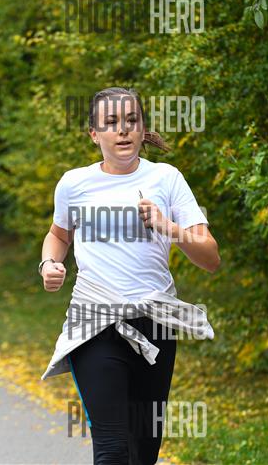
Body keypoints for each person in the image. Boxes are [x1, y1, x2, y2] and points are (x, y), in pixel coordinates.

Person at [39, 87, 220, 464]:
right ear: (94, 134)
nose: (122, 130)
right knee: (113, 450)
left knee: (143, 451)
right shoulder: (74, 183)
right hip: (94, 319)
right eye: (111, 123)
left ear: (142, 128)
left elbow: (211, 258)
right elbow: (58, 235)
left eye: (131, 121)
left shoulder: (167, 179)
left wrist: (168, 226)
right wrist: (49, 264)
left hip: (155, 323)